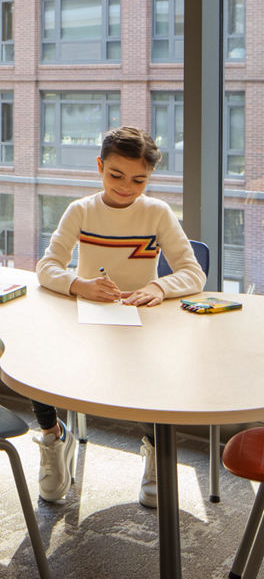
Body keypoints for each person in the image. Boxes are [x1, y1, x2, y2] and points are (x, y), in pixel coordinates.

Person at [33, 126, 206, 508]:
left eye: (139, 180)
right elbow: (47, 266)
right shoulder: (80, 211)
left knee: (155, 377)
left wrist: (158, 288)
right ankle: (52, 437)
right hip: (85, 317)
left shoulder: (157, 213)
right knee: (34, 361)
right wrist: (78, 285)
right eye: (116, 176)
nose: (126, 187)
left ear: (149, 178)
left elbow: (194, 273)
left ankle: (157, 453)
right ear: (100, 167)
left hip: (140, 323)